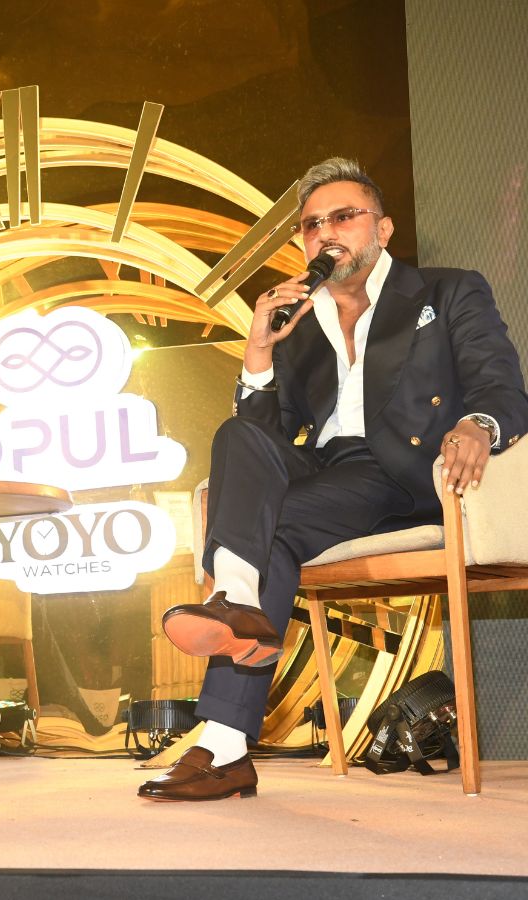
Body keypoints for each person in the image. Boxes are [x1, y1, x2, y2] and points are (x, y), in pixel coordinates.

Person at [138, 158, 528, 801]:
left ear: (383, 228)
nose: (326, 232)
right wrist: (260, 350)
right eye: (312, 224)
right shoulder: (298, 324)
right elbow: (262, 438)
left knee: (267, 533)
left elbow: (503, 388)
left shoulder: (447, 292)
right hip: (328, 474)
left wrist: (477, 424)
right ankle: (237, 619)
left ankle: (223, 738)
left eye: (343, 216)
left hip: (403, 473)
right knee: (237, 440)